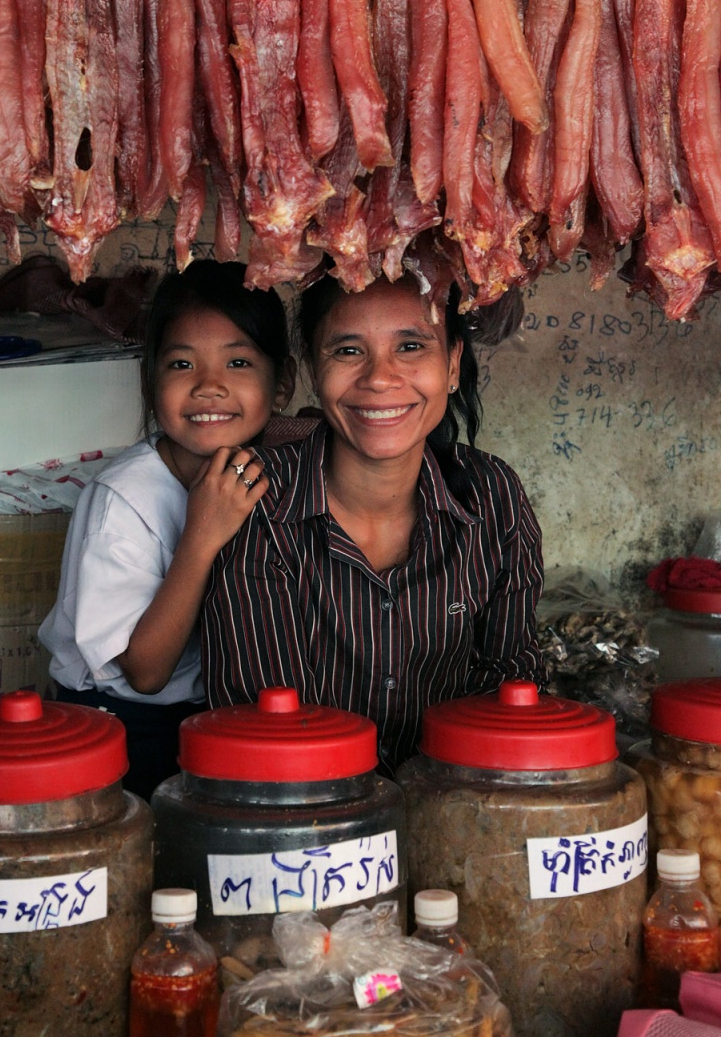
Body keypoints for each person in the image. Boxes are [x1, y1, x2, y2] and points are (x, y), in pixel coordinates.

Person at [200, 272, 545, 774]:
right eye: (347, 351)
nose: (379, 378)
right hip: (308, 825)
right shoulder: (254, 498)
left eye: (410, 346)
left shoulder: (491, 496)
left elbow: (512, 687)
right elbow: (266, 723)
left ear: (452, 366)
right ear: (314, 372)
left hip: (454, 808)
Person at [39, 261, 295, 800]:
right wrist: (201, 536)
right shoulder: (123, 499)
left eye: (239, 362)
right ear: (151, 379)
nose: (209, 386)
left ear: (282, 385)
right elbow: (146, 672)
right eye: (182, 363)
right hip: (123, 725)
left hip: (211, 715)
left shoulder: (261, 467)